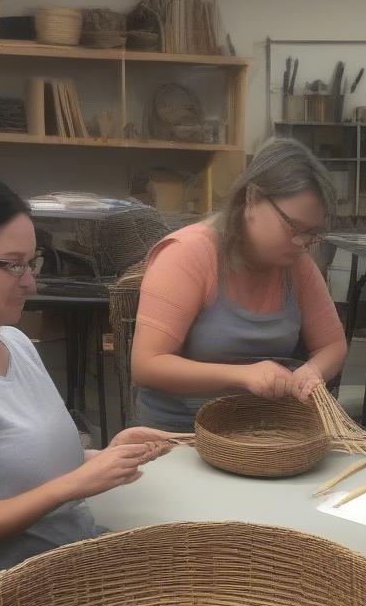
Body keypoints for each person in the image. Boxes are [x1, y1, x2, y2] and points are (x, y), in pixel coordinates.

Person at [0, 174, 172, 601]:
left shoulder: (15, 342)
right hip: (8, 600)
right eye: (12, 265)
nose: (31, 282)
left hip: (67, 562)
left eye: (32, 262)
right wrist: (75, 484)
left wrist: (105, 456)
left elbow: (17, 467)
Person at [131, 138, 348, 431]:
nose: (301, 243)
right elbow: (146, 365)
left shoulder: (298, 265)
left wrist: (312, 371)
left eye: (312, 233)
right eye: (293, 227)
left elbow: (333, 344)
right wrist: (242, 375)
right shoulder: (189, 255)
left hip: (260, 429)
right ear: (251, 199)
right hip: (182, 433)